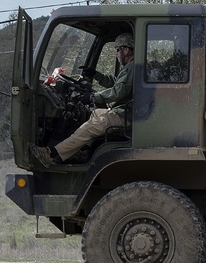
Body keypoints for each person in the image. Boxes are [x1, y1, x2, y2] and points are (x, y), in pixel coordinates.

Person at [31, 32, 135, 167]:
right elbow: (117, 83)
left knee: (92, 126)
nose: (117, 54)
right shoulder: (131, 68)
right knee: (95, 114)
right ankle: (83, 151)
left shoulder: (132, 68)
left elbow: (118, 91)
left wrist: (92, 97)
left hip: (127, 115)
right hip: (127, 112)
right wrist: (95, 74)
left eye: (118, 50)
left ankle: (50, 154)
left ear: (126, 50)